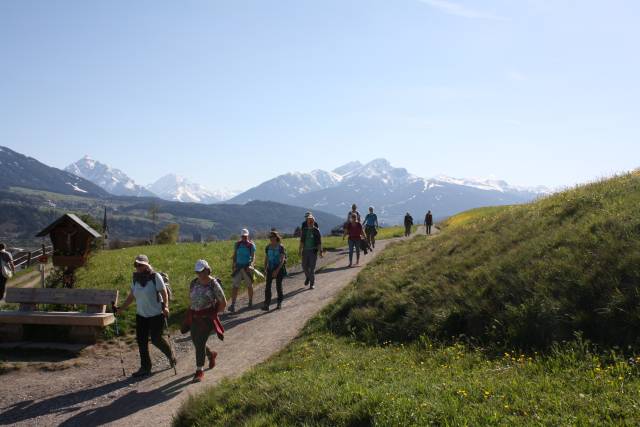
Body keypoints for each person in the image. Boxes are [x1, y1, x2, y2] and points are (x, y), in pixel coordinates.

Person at [115, 254, 176, 377]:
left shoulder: (155, 276)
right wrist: (121, 309)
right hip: (141, 315)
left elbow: (164, 293)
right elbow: (132, 296)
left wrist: (166, 306)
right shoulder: (135, 279)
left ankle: (171, 355)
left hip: (156, 314)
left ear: (147, 265)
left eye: (140, 264)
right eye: (136, 264)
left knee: (156, 339)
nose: (138, 267)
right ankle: (145, 367)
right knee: (141, 341)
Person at [185, 259, 227, 383]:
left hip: (207, 318)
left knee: (200, 342)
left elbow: (223, 301)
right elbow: (191, 298)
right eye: (197, 271)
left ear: (207, 270)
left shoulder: (213, 284)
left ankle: (199, 370)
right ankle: (210, 354)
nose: (199, 274)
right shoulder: (194, 282)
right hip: (194, 316)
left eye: (202, 271)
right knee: (196, 341)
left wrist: (214, 313)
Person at [229, 229, 256, 313]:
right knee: (235, 286)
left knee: (249, 285)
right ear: (241, 236)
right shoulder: (237, 244)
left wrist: (251, 264)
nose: (244, 237)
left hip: (247, 268)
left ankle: (250, 302)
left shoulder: (251, 245)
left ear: (248, 236)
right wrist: (233, 265)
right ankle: (233, 305)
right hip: (238, 268)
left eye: (245, 236)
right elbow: (235, 255)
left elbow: (253, 257)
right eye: (243, 236)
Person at [262, 231, 287, 311]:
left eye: (273, 237)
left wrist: (277, 270)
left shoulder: (281, 247)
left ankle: (279, 303)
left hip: (279, 268)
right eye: (270, 237)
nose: (271, 238)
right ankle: (267, 304)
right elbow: (266, 258)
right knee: (267, 287)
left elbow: (282, 260)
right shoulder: (268, 247)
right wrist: (265, 268)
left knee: (278, 286)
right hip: (270, 268)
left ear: (276, 237)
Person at [299, 213, 322, 289]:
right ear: (307, 222)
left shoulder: (316, 231)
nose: (310, 222)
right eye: (309, 221)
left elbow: (319, 242)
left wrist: (320, 252)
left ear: (313, 222)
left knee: (312, 268)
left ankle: (312, 283)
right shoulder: (304, 231)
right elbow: (302, 241)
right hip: (305, 251)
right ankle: (308, 277)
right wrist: (300, 250)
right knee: (304, 267)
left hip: (313, 251)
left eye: (311, 221)